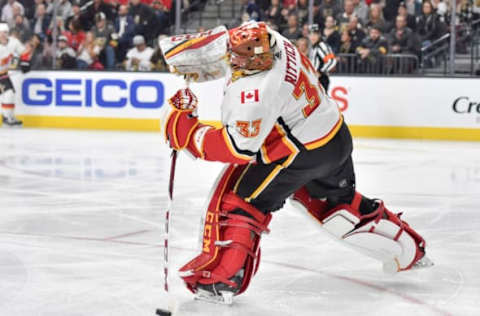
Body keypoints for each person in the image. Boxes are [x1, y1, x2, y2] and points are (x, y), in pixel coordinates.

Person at [160, 21, 432, 303]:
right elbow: (231, 43)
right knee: (336, 205)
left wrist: (185, 132)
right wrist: (194, 56)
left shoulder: (258, 92)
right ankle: (410, 246)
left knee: (238, 199)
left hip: (298, 152)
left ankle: (221, 279)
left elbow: (236, 147)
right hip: (333, 137)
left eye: (244, 57)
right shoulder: (272, 38)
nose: (237, 60)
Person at [0, 23, 30, 126]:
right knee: (8, 93)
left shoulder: (14, 42)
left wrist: (25, 62)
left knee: (10, 94)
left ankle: (8, 117)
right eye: (1, 33)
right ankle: (7, 117)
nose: (3, 35)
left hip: (3, 74)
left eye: (5, 32)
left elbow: (24, 52)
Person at [308, 24, 337, 91]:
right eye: (311, 34)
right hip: (316, 80)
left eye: (315, 34)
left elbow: (332, 60)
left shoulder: (321, 46)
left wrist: (320, 72)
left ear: (319, 35)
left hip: (321, 79)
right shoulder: (314, 47)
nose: (313, 37)